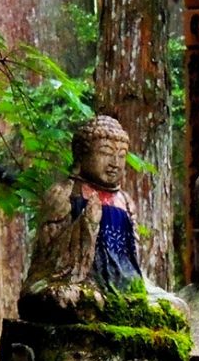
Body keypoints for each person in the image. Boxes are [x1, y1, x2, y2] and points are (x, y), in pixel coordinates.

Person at [23, 115, 187, 317]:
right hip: (76, 280)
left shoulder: (125, 201)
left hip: (125, 284)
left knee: (175, 307)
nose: (115, 163)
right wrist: (86, 226)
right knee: (70, 298)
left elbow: (132, 259)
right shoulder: (64, 193)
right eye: (105, 153)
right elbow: (47, 260)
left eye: (121, 155)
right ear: (82, 155)